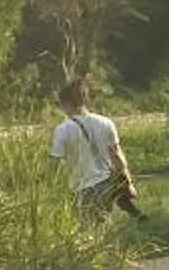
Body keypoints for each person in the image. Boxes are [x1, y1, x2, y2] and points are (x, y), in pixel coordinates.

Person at [50, 76, 135, 220]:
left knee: (87, 230)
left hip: (81, 188)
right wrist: (129, 182)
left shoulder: (62, 129)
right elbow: (117, 157)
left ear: (66, 103)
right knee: (103, 223)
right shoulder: (106, 123)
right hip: (106, 185)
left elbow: (55, 165)